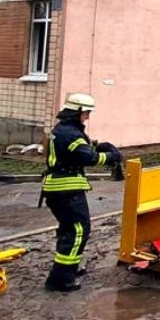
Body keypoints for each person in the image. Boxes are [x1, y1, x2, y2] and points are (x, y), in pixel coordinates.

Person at [41, 93, 122, 292]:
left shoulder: (64, 130)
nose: (87, 116)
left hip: (58, 188)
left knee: (69, 230)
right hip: (66, 190)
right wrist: (111, 156)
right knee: (78, 231)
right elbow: (87, 157)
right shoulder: (70, 134)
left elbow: (77, 149)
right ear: (77, 112)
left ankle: (67, 269)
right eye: (86, 113)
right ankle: (61, 279)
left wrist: (98, 145)